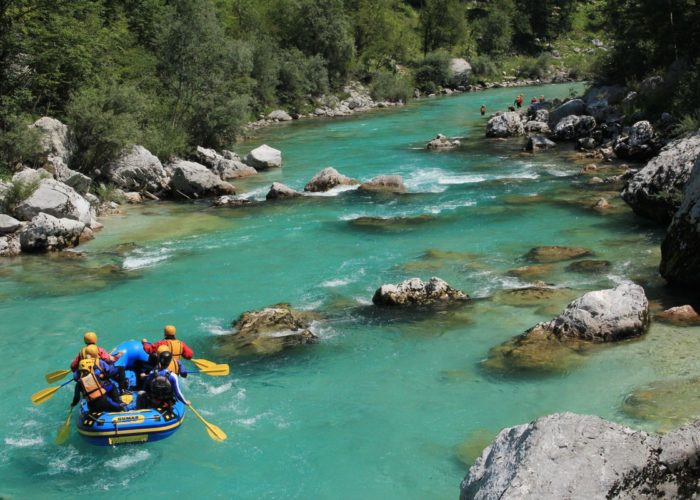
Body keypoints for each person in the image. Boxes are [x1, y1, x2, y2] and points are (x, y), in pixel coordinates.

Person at [71, 347, 125, 413]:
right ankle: (118, 401)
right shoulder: (95, 376)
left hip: (92, 407)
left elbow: (76, 398)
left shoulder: (79, 383)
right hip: (104, 401)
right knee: (113, 389)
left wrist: (73, 404)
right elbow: (106, 384)